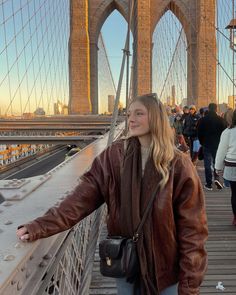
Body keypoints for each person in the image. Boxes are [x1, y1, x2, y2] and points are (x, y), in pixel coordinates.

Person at [16, 93, 208, 295]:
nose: (131, 119)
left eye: (139, 113)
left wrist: (189, 285)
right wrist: (40, 225)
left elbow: (193, 229)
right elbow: (80, 199)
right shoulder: (114, 157)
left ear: (156, 118)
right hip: (125, 262)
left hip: (166, 269)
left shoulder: (179, 164)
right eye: (129, 114)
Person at [198, 103, 226, 191]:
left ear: (209, 109)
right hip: (217, 145)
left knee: (207, 164)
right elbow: (224, 133)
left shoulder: (202, 120)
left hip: (206, 144)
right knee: (216, 163)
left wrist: (202, 142)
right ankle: (217, 179)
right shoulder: (221, 120)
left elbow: (199, 132)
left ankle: (209, 184)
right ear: (216, 109)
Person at [215, 109, 236, 225]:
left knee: (235, 193)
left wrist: (218, 167)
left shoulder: (227, 132)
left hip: (232, 166)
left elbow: (221, 151)